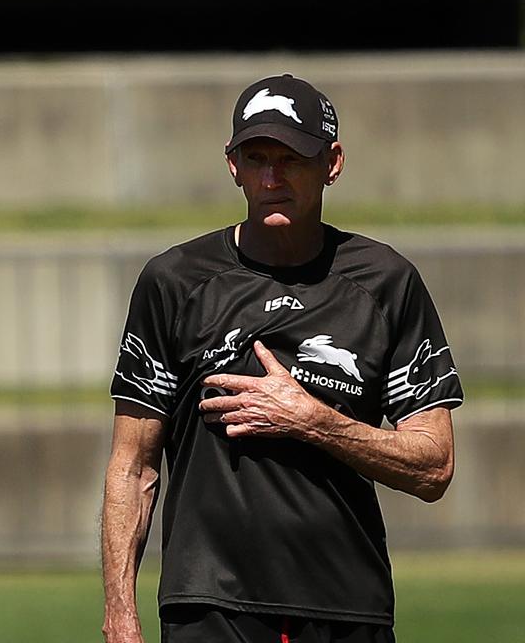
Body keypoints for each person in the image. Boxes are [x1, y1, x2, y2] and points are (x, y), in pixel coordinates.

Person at [100, 74, 460, 643]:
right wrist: (120, 616)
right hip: (208, 607)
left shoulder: (387, 282)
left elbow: (434, 465)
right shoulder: (173, 283)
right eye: (257, 157)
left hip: (347, 605)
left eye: (291, 158)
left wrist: (313, 421)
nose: (272, 178)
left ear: (332, 163)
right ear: (233, 165)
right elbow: (133, 465)